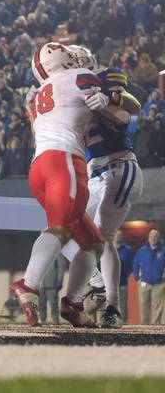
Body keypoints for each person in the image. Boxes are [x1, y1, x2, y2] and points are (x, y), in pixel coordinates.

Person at [10, 43, 130, 328]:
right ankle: (28, 284)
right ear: (65, 58)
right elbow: (122, 118)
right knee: (60, 229)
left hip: (40, 167)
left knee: (94, 243)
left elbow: (39, 127)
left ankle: (73, 302)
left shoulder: (40, 91)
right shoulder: (80, 75)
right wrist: (112, 108)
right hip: (65, 162)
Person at [59, 45, 143, 327]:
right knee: (61, 230)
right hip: (93, 174)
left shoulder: (104, 78)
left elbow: (131, 107)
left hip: (118, 165)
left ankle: (113, 307)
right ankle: (95, 280)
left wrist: (110, 95)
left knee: (103, 236)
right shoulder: (66, 91)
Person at [132, 229, 165, 325]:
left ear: (158, 238)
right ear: (148, 238)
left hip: (159, 284)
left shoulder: (163, 251)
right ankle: (144, 327)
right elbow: (135, 264)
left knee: (157, 308)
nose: (153, 238)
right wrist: (137, 278)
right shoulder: (142, 251)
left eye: (155, 236)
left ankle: (156, 329)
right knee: (143, 306)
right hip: (144, 283)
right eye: (151, 236)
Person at [38, 255, 67, 324]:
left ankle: (55, 321)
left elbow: (61, 266)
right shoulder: (39, 254)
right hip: (40, 284)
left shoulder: (56, 252)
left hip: (52, 284)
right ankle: (42, 321)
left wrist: (60, 280)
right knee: (41, 305)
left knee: (53, 305)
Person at [116, 230, 135, 321]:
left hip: (122, 282)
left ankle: (122, 322)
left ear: (122, 237)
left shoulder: (127, 250)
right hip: (110, 284)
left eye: (119, 235)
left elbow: (132, 265)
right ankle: (112, 321)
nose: (117, 237)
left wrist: (125, 275)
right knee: (111, 303)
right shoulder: (108, 248)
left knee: (122, 304)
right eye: (116, 235)